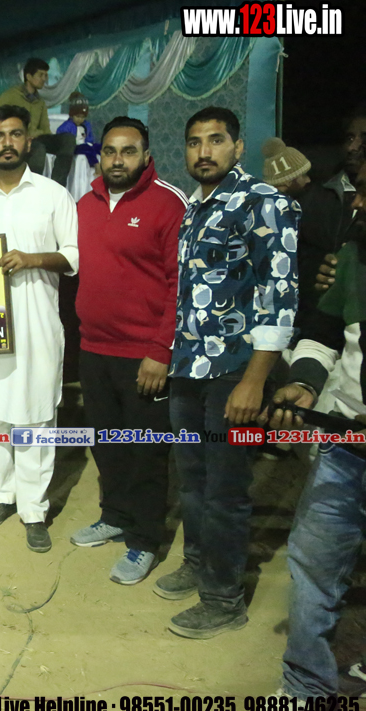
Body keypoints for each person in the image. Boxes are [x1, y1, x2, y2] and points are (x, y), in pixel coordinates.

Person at [156, 107, 299, 639]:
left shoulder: (264, 202)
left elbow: (280, 296)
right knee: (192, 481)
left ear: (238, 148)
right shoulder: (195, 209)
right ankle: (198, 562)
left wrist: (254, 381)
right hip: (187, 366)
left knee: (226, 489)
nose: (204, 151)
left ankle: (223, 598)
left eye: (216, 141)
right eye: (195, 142)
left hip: (234, 372)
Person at [0, 104, 79, 553]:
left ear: (28, 141)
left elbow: (73, 256)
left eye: (16, 134)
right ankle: (2, 495)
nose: (7, 142)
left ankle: (34, 509)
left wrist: (32, 259)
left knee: (34, 417)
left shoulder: (53, 195)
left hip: (36, 326)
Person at [261, 162, 366, 702]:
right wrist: (303, 383)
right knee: (313, 562)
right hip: (344, 446)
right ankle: (306, 686)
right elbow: (324, 332)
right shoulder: (352, 258)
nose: (357, 204)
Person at [70, 117, 188, 585]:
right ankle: (115, 516)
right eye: (110, 151)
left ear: (146, 155)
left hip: (144, 355)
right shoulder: (85, 204)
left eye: (128, 151)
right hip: (94, 348)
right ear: (100, 155)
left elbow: (181, 285)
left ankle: (144, 540)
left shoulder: (168, 204)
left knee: (145, 451)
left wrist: (161, 350)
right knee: (107, 443)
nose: (118, 160)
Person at [298, 106, 365, 319]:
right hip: (321, 320)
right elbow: (297, 261)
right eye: (349, 138)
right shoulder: (313, 197)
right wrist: (316, 277)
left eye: (364, 139)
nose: (353, 147)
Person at [0, 58, 75, 188]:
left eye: (46, 75)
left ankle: (57, 185)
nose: (44, 79)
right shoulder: (11, 96)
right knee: (38, 148)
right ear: (28, 76)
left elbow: (45, 130)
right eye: (41, 75)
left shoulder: (40, 102)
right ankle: (31, 187)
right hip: (19, 138)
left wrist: (35, 133)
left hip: (36, 138)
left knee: (68, 139)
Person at [56, 92, 101, 170]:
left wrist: (91, 143)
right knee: (87, 148)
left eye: (82, 117)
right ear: (72, 115)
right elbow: (61, 138)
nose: (80, 119)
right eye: (77, 116)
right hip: (74, 147)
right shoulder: (67, 126)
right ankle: (96, 165)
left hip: (86, 144)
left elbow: (89, 138)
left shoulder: (87, 124)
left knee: (101, 147)